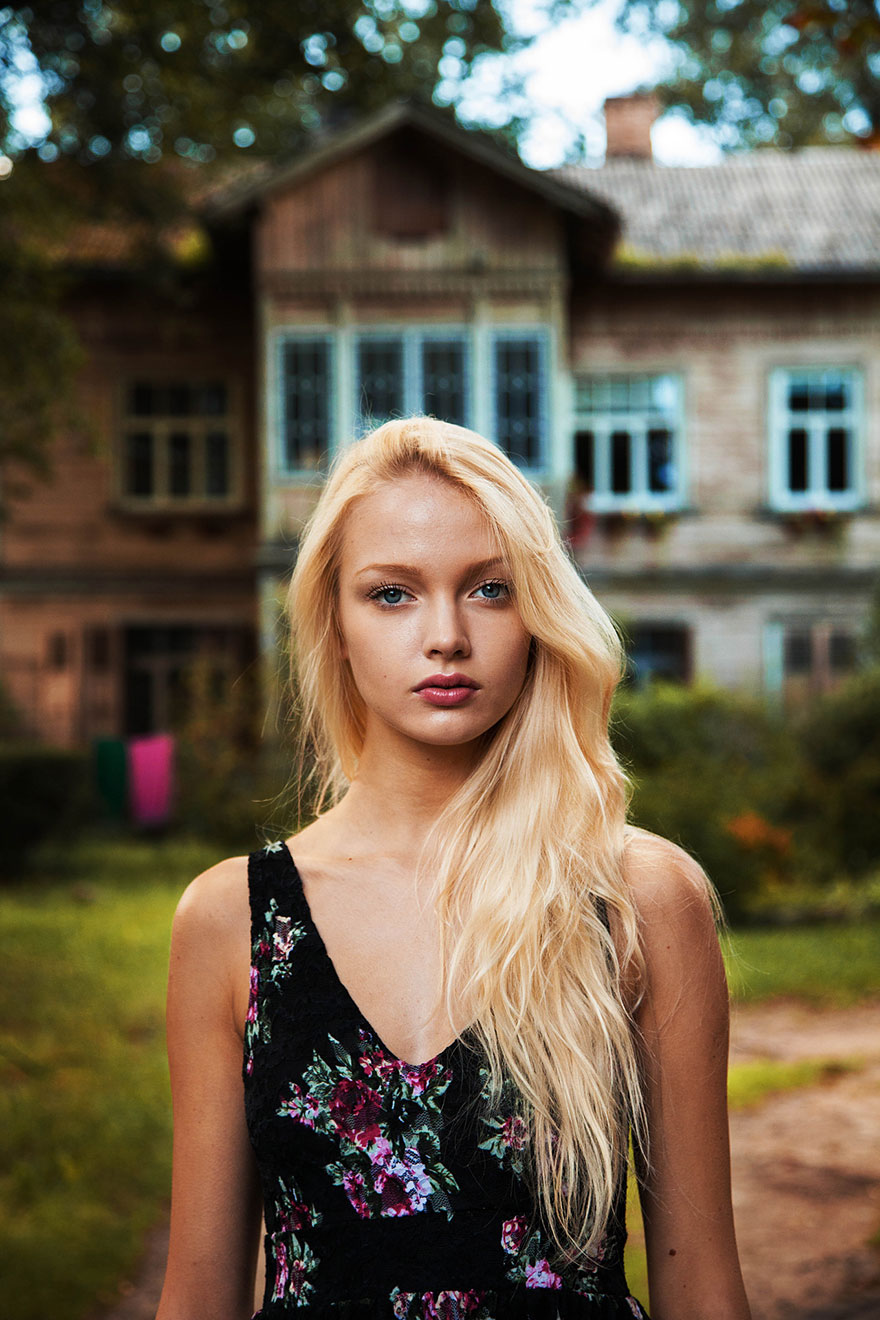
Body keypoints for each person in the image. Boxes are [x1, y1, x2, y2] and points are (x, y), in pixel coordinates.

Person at [157, 417, 751, 1320]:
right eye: (392, 594)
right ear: (336, 624)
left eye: (490, 590)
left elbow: (703, 1288)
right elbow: (198, 1296)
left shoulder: (637, 900)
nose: (446, 636)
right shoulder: (231, 921)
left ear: (539, 616)